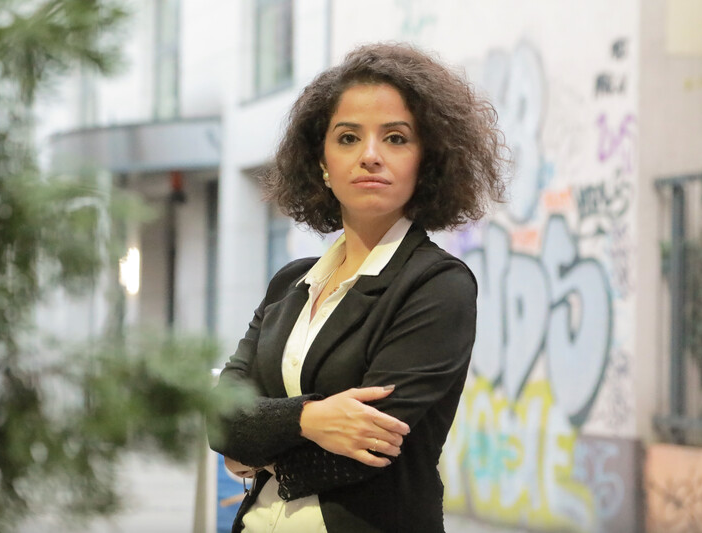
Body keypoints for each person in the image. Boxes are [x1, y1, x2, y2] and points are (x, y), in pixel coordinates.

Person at [209, 42, 506, 533]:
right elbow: (220, 415)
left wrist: (253, 450)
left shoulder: (438, 285)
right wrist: (309, 420)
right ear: (321, 162)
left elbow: (366, 449)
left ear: (426, 161)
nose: (370, 156)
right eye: (348, 138)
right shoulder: (291, 282)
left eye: (395, 138)